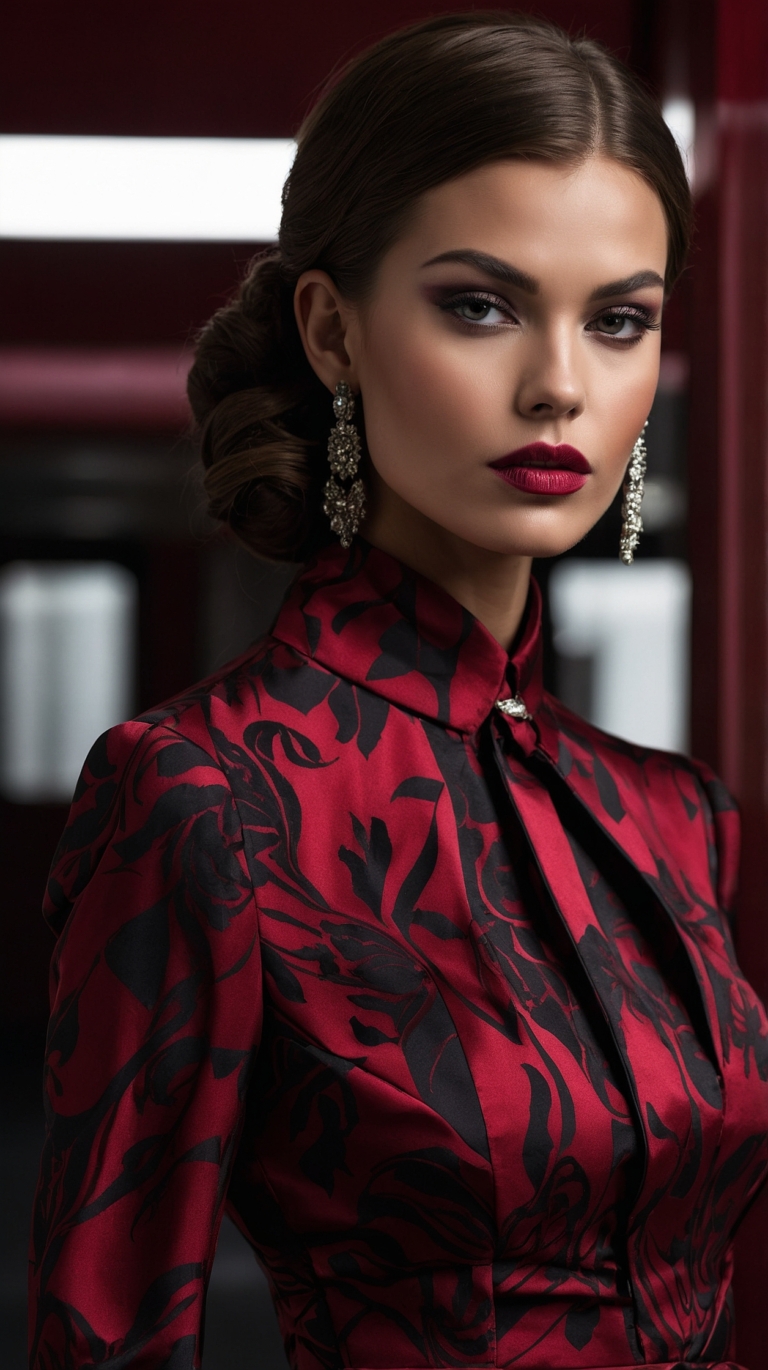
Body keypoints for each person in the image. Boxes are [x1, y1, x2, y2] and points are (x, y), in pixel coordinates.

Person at [28, 13, 768, 1370]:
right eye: (480, 305)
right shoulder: (203, 799)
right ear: (332, 330)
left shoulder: (676, 818)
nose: (560, 385)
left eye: (619, 321)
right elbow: (109, 1325)